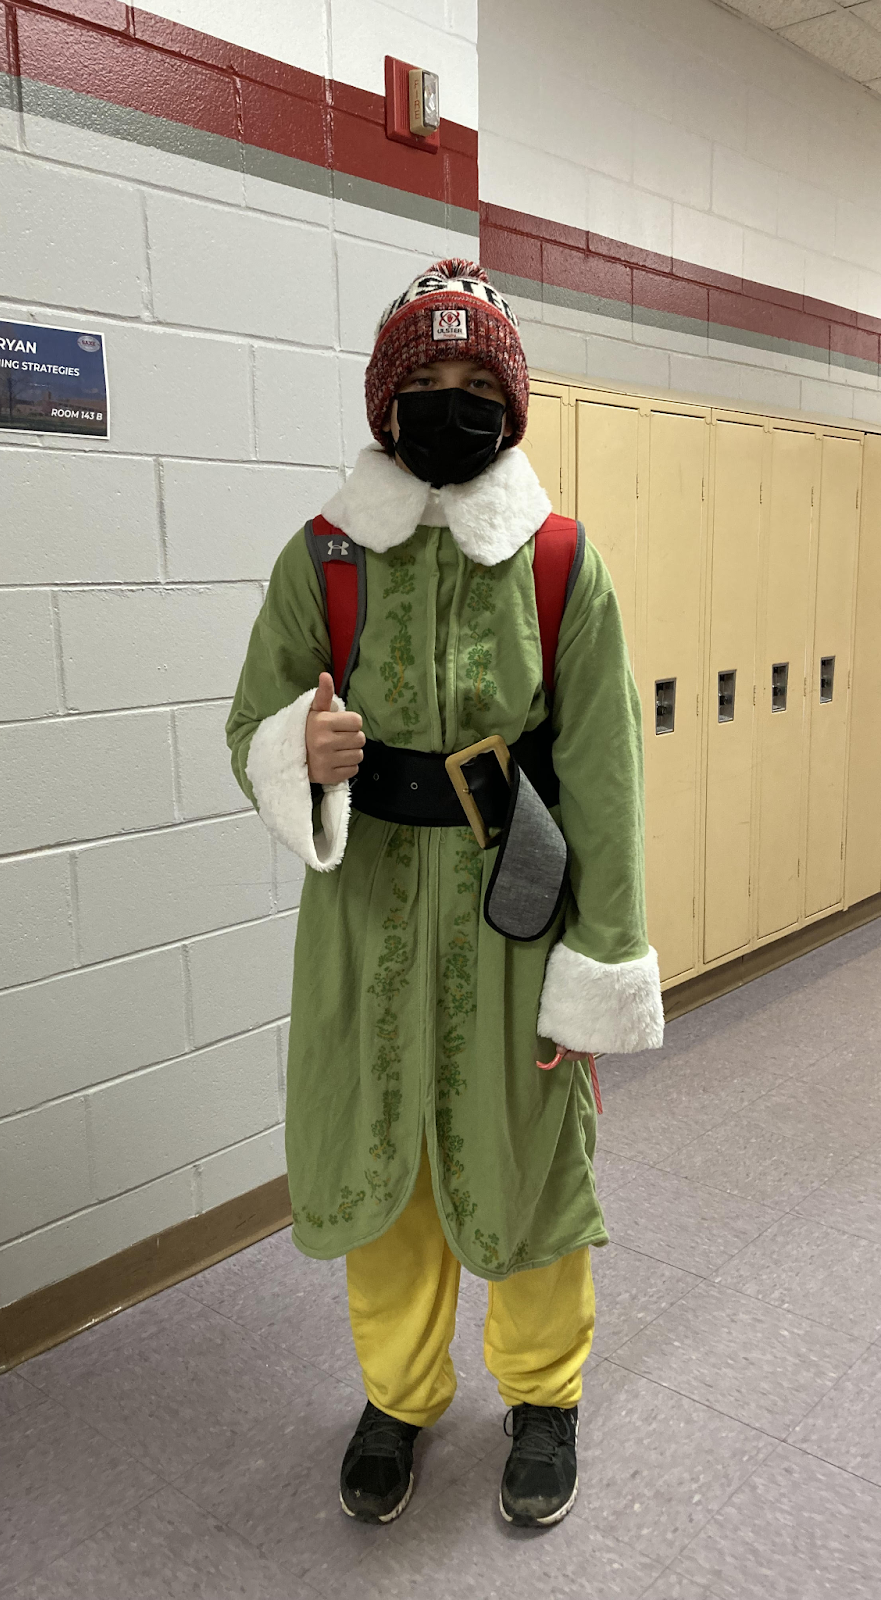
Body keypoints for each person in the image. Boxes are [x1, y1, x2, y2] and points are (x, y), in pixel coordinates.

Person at [226, 259, 662, 1530]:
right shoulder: (322, 557)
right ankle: (398, 1395)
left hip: (516, 911)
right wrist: (295, 753)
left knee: (527, 1159)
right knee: (388, 1163)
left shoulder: (561, 563)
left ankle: (543, 1393)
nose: (453, 399)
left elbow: (607, 777)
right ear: (387, 399)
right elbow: (252, 720)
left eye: (478, 380)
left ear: (510, 403)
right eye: (430, 377)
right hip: (363, 916)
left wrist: (600, 960)